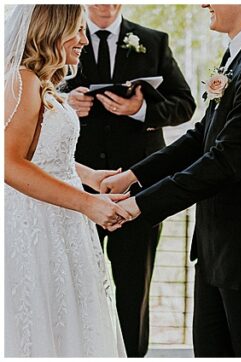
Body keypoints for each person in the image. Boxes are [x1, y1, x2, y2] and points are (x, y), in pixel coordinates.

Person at [98, 4, 241, 356]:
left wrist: (139, 204)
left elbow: (224, 158)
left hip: (235, 242)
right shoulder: (232, 57)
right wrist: (134, 177)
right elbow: (200, 137)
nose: (205, 4)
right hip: (212, 244)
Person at [63, 5, 196, 356]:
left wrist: (139, 110)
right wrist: (66, 101)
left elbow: (185, 105)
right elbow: (35, 100)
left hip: (138, 188)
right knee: (74, 285)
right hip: (74, 186)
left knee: (134, 289)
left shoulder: (152, 41)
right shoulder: (64, 36)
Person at [4, 4, 129, 357]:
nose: (84, 40)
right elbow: (10, 164)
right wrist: (89, 204)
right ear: (50, 30)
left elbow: (42, 154)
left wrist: (90, 178)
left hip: (64, 223)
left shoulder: (40, 82)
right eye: (76, 30)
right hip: (36, 225)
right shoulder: (21, 80)